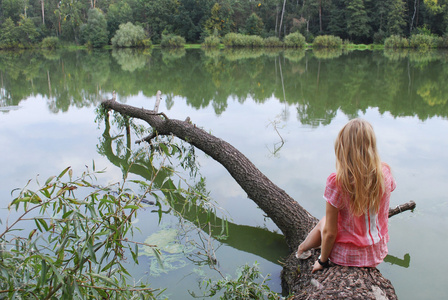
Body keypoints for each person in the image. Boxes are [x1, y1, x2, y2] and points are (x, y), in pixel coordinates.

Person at [296, 118, 396, 273]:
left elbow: (330, 233)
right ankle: (304, 247)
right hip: (375, 253)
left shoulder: (338, 182)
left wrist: (322, 262)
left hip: (345, 256)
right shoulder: (385, 173)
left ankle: (302, 249)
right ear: (372, 146)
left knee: (325, 222)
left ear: (343, 148)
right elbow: (391, 189)